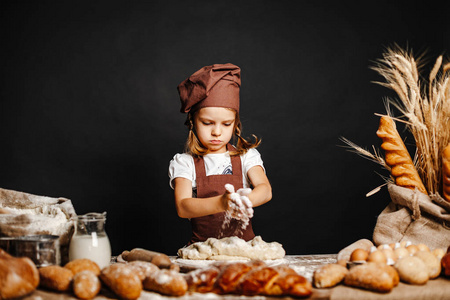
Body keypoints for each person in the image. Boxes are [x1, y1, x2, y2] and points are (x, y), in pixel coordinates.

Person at [168, 63, 272, 245]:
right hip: (202, 250)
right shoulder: (184, 162)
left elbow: (265, 190)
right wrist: (223, 203)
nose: (217, 132)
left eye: (226, 124)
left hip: (245, 249)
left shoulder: (246, 156)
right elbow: (183, 207)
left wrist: (243, 201)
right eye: (208, 123)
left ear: (235, 124)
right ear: (193, 122)